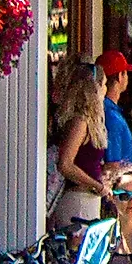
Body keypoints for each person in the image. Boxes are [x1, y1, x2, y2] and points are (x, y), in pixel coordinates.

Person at [51, 60, 114, 229]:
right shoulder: (80, 122)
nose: (106, 89)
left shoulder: (88, 122)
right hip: (78, 199)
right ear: (94, 88)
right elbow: (65, 164)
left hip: (88, 198)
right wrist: (97, 186)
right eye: (104, 84)